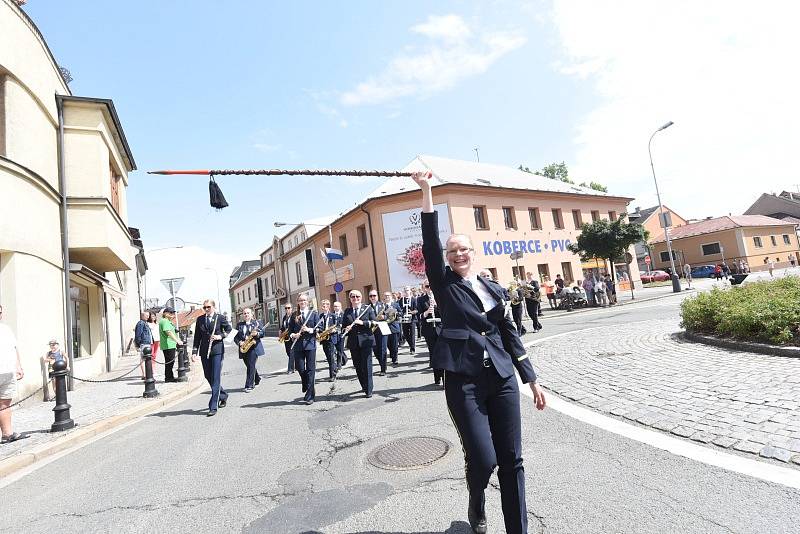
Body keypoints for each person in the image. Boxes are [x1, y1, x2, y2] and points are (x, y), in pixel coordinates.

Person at [412, 171, 546, 534]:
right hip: (464, 380)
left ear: (473, 252)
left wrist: (531, 380)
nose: (458, 254)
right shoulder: (445, 284)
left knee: (512, 461)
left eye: (464, 249)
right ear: (448, 257)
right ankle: (476, 497)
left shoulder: (493, 287)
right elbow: (428, 242)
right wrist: (426, 192)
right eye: (452, 250)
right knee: (484, 461)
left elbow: (510, 333)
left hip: (501, 377)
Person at [191, 300, 231, 416]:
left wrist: (220, 336)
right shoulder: (200, 319)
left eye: (208, 307)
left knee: (215, 377)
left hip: (217, 350)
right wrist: (194, 351)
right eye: (204, 307)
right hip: (204, 351)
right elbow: (197, 337)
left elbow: (229, 330)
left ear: (213, 307)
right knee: (208, 376)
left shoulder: (220, 317)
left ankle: (213, 406)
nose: (206, 309)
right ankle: (223, 395)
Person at [342, 290, 377, 398]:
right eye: (353, 297)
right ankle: (363, 385)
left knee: (367, 365)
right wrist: (346, 328)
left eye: (357, 296)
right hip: (353, 343)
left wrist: (362, 323)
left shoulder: (367, 308)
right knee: (357, 366)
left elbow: (375, 323)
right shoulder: (347, 311)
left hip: (366, 341)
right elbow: (343, 326)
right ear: (350, 298)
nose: (355, 298)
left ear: (361, 298)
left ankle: (369, 389)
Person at [289, 293, 320, 405]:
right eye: (300, 300)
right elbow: (290, 331)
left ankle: (310, 395)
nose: (302, 302)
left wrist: (309, 330)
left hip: (310, 345)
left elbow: (319, 328)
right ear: (298, 302)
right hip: (298, 346)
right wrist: (294, 335)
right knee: (300, 368)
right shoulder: (294, 315)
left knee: (311, 369)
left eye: (304, 300)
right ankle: (307, 384)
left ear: (308, 301)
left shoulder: (314, 314)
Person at [0, 304, 24, 443]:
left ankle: (7, 434)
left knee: (5, 403)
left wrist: (19, 366)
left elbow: (14, 348)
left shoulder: (6, 329)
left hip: (8, 372)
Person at [417, 280, 443, 385]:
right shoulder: (420, 300)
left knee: (443, 352)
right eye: (427, 286)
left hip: (441, 329)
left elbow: (447, 312)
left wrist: (437, 306)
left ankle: (445, 376)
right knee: (434, 354)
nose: (430, 288)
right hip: (429, 330)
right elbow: (419, 316)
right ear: (424, 288)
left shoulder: (440, 297)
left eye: (431, 286)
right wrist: (427, 312)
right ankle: (437, 377)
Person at [234, 308, 264, 392]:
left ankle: (249, 385)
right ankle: (257, 378)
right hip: (244, 347)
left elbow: (262, 333)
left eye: (248, 313)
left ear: (252, 314)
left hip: (254, 347)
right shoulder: (239, 325)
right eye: (244, 313)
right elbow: (235, 337)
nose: (246, 315)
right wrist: (239, 342)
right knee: (249, 365)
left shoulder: (257, 323)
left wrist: (257, 334)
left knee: (251, 365)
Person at [159, 307, 183, 383]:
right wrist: (177, 341)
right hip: (168, 344)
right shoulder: (165, 321)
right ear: (165, 313)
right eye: (170, 313)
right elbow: (168, 332)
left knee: (170, 362)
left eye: (173, 313)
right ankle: (169, 378)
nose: (172, 314)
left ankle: (169, 377)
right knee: (169, 362)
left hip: (169, 344)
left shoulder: (167, 321)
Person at [368, 290, 389, 376]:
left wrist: (384, 316)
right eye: (371, 296)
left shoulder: (383, 305)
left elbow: (391, 315)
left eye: (374, 295)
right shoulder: (367, 307)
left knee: (383, 349)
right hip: (373, 330)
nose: (372, 297)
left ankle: (383, 369)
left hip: (382, 329)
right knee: (375, 350)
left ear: (377, 296)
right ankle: (382, 363)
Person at [317, 299, 339, 380]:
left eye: (326, 305)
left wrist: (334, 330)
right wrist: (318, 332)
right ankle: (335, 368)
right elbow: (318, 326)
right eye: (323, 305)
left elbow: (337, 326)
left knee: (331, 356)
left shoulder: (333, 316)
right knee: (328, 356)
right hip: (324, 339)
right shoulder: (320, 316)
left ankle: (332, 375)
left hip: (331, 338)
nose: (324, 306)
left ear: (329, 306)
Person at [382, 291, 401, 366]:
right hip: (385, 327)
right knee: (388, 344)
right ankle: (392, 355)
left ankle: (395, 358)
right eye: (385, 296)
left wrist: (395, 313)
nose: (387, 297)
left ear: (391, 296)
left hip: (394, 326)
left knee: (394, 344)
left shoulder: (395, 304)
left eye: (388, 296)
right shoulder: (382, 305)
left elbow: (401, 313)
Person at [134, 311, 153, 380]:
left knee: (147, 358)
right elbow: (138, 334)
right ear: (142, 316)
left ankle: (147, 373)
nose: (148, 316)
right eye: (146, 315)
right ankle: (144, 374)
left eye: (148, 315)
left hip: (147, 342)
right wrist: (138, 344)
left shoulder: (145, 323)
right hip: (144, 343)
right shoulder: (141, 323)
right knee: (143, 358)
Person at [398, 287, 418, 355]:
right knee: (406, 334)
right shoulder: (401, 300)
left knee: (412, 334)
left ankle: (412, 349)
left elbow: (416, 309)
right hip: (404, 319)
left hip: (412, 319)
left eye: (408, 290)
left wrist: (412, 312)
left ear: (410, 291)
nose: (406, 292)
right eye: (405, 290)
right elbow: (399, 309)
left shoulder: (414, 299)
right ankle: (411, 345)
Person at [279, 303, 295, 374]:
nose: (287, 309)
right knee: (288, 353)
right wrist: (280, 331)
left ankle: (290, 369)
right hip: (286, 338)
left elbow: (295, 326)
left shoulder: (294, 316)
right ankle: (296, 366)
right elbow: (283, 327)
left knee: (291, 353)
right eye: (286, 308)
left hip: (292, 337)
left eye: (288, 308)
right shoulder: (284, 317)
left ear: (292, 308)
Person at [332, 301, 347, 368]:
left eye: (337, 306)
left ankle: (339, 364)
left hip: (341, 334)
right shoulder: (332, 315)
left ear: (340, 307)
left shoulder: (343, 315)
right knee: (337, 349)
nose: (336, 307)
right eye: (335, 306)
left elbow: (345, 324)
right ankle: (345, 359)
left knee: (340, 349)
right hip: (334, 334)